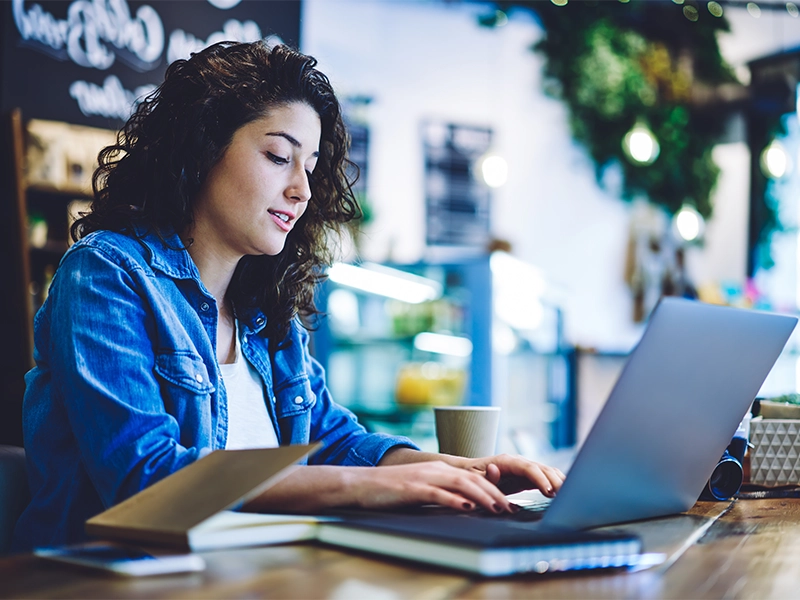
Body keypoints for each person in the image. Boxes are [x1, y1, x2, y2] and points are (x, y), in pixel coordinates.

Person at [13, 41, 564, 551]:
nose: (300, 188)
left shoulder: (262, 307)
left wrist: (459, 470)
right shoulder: (106, 274)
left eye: (311, 166)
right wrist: (365, 488)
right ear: (201, 151)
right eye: (279, 157)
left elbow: (331, 437)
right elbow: (144, 480)